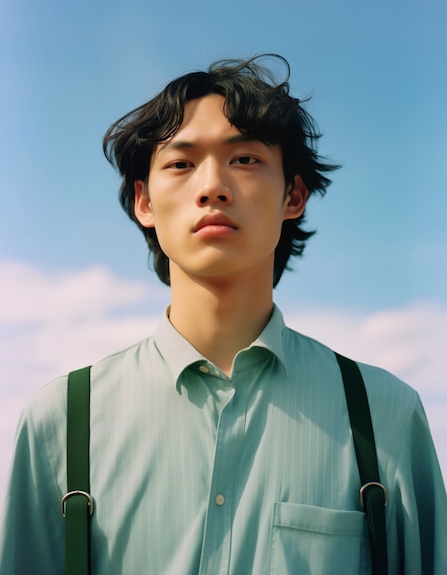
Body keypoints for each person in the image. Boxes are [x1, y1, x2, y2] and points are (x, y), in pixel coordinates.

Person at [0, 55, 446, 574]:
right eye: (180, 163)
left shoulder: (384, 414)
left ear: (293, 195)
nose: (212, 186)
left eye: (246, 159)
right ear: (144, 200)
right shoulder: (59, 422)